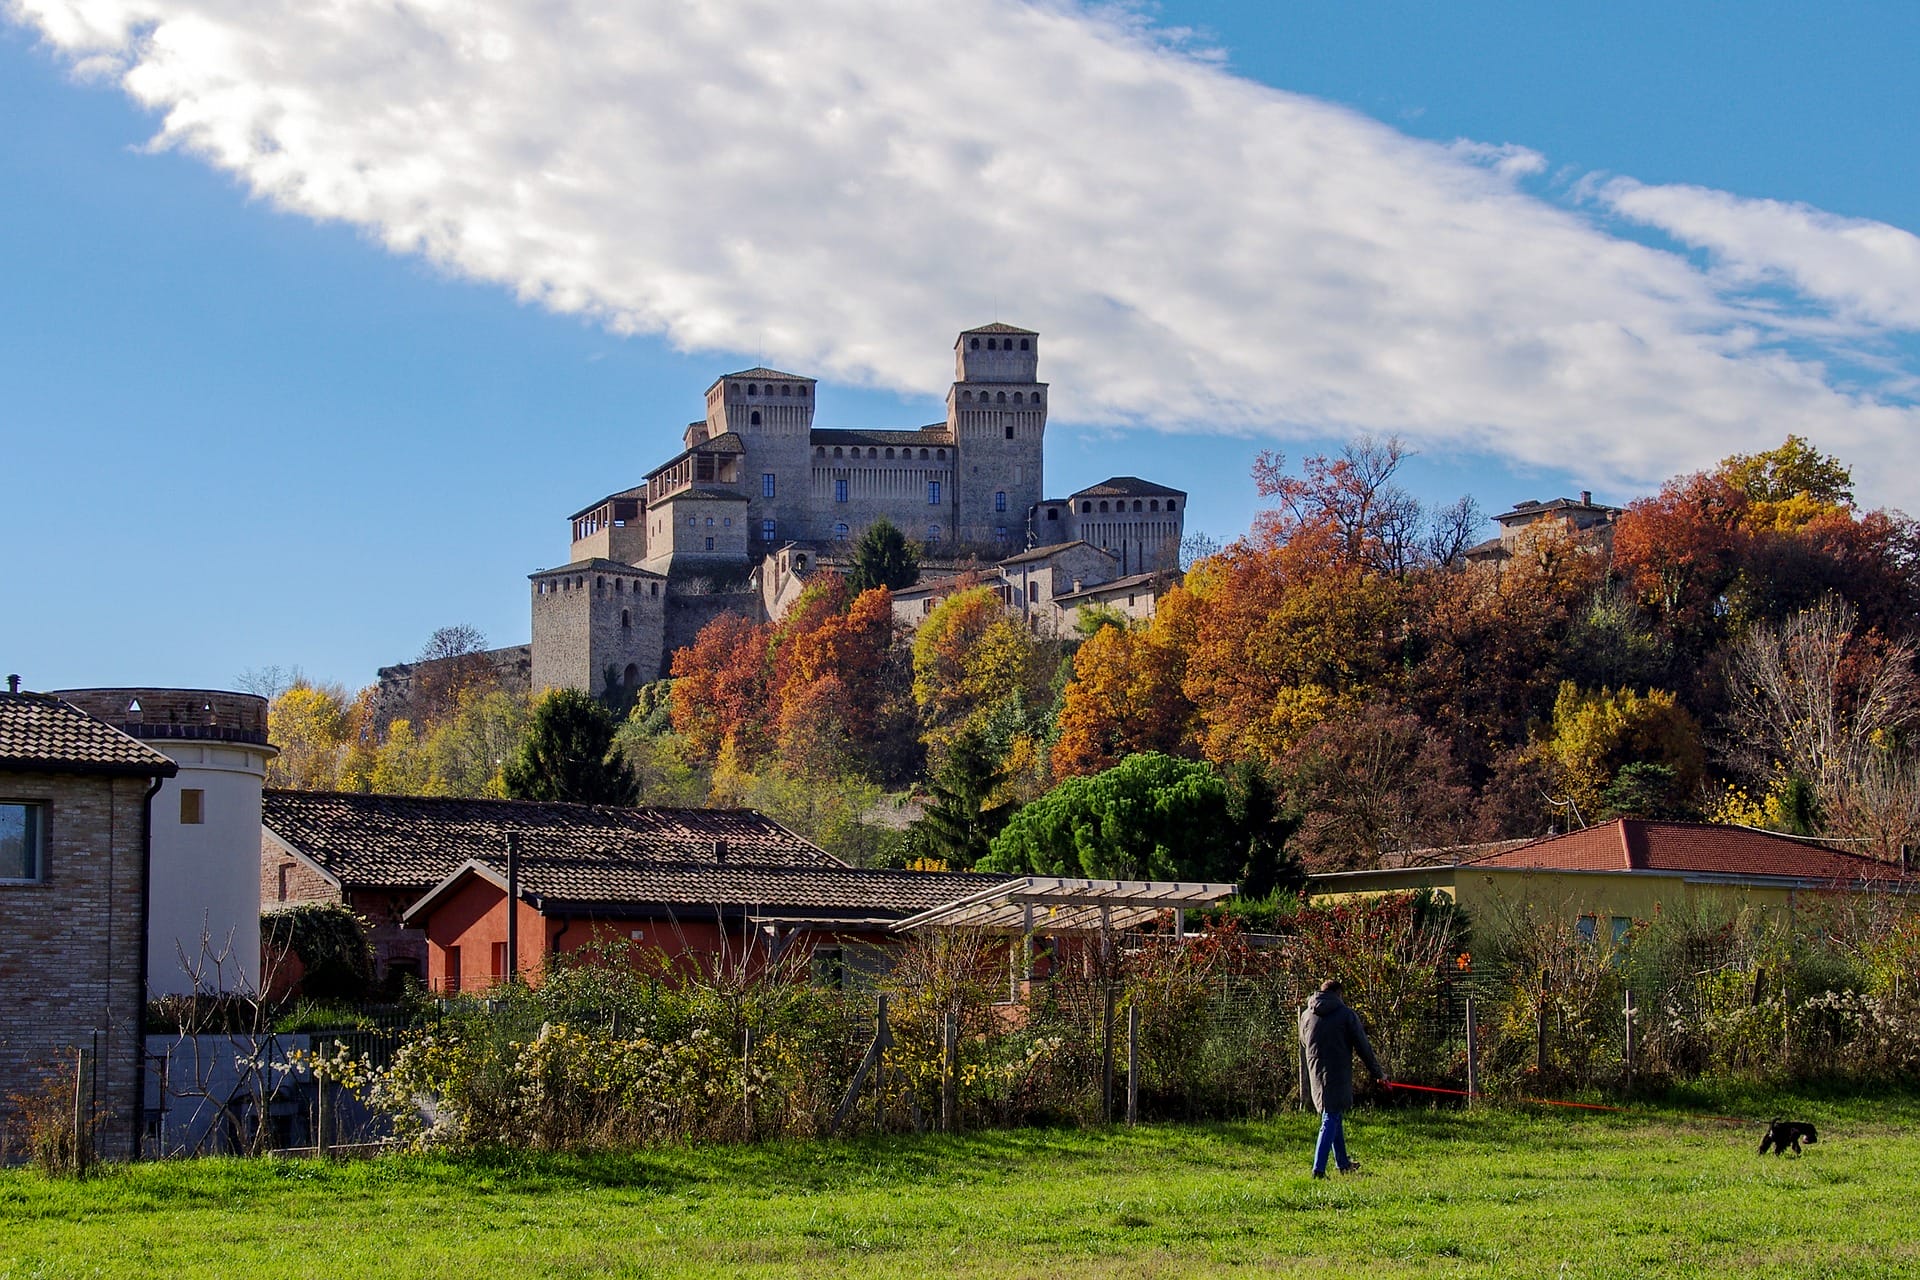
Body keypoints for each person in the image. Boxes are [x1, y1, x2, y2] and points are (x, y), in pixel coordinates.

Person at [1298, 978, 1387, 1178]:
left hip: (1315, 1071)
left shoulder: (1306, 1015)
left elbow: (1303, 1042)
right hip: (1337, 1071)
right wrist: (1378, 1073)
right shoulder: (1346, 1015)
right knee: (1330, 1118)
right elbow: (1363, 1047)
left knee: (1333, 1113)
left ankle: (1343, 1163)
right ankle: (1318, 1170)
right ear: (1338, 994)